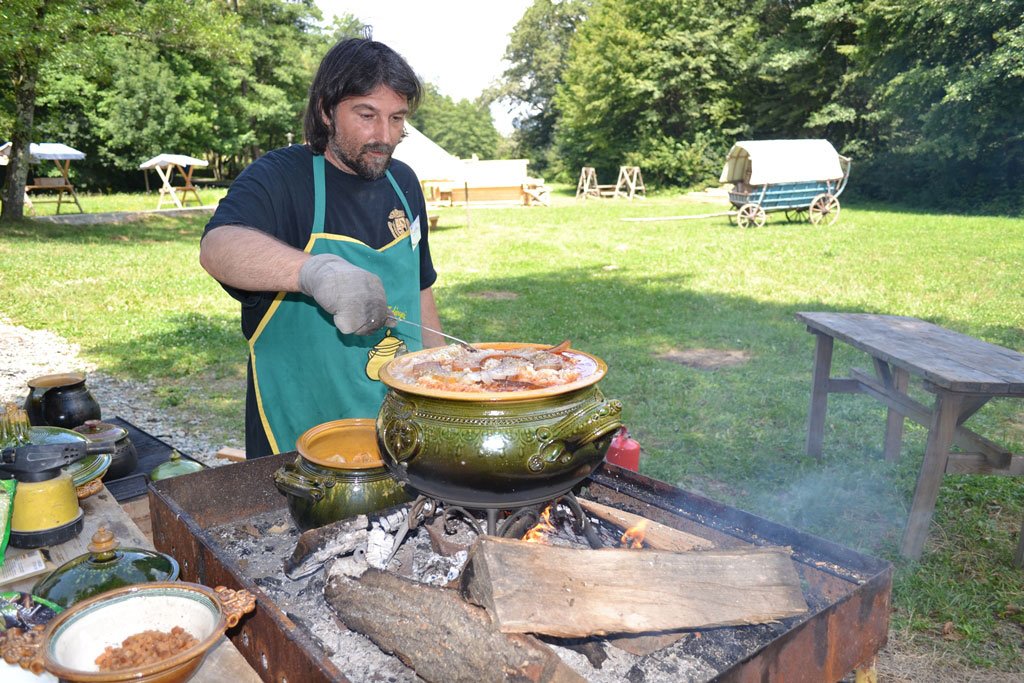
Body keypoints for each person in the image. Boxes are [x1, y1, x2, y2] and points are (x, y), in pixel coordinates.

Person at [199, 38, 444, 459]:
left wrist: (443, 383)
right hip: (302, 445)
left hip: (399, 431)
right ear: (326, 111)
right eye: (367, 115)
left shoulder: (403, 183)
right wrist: (315, 272)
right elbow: (219, 246)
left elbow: (420, 292)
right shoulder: (281, 177)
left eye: (396, 118)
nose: (384, 136)